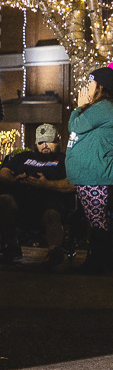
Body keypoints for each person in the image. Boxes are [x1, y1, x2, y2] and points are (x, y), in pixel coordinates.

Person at [0, 123, 74, 268]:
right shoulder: (23, 157)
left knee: (51, 214)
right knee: (3, 200)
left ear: (58, 139)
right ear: (35, 143)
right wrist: (15, 179)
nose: (45, 145)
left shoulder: (65, 160)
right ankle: (12, 247)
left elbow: (73, 184)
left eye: (49, 141)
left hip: (50, 205)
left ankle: (54, 252)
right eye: (41, 142)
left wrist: (46, 184)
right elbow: (2, 174)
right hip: (21, 204)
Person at [66, 66, 113, 273]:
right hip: (91, 175)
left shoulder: (103, 107)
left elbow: (75, 126)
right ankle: (97, 262)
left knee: (98, 222)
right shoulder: (100, 108)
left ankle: (99, 264)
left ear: (101, 86)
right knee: (96, 221)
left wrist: (79, 108)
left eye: (90, 82)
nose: (86, 87)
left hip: (95, 177)